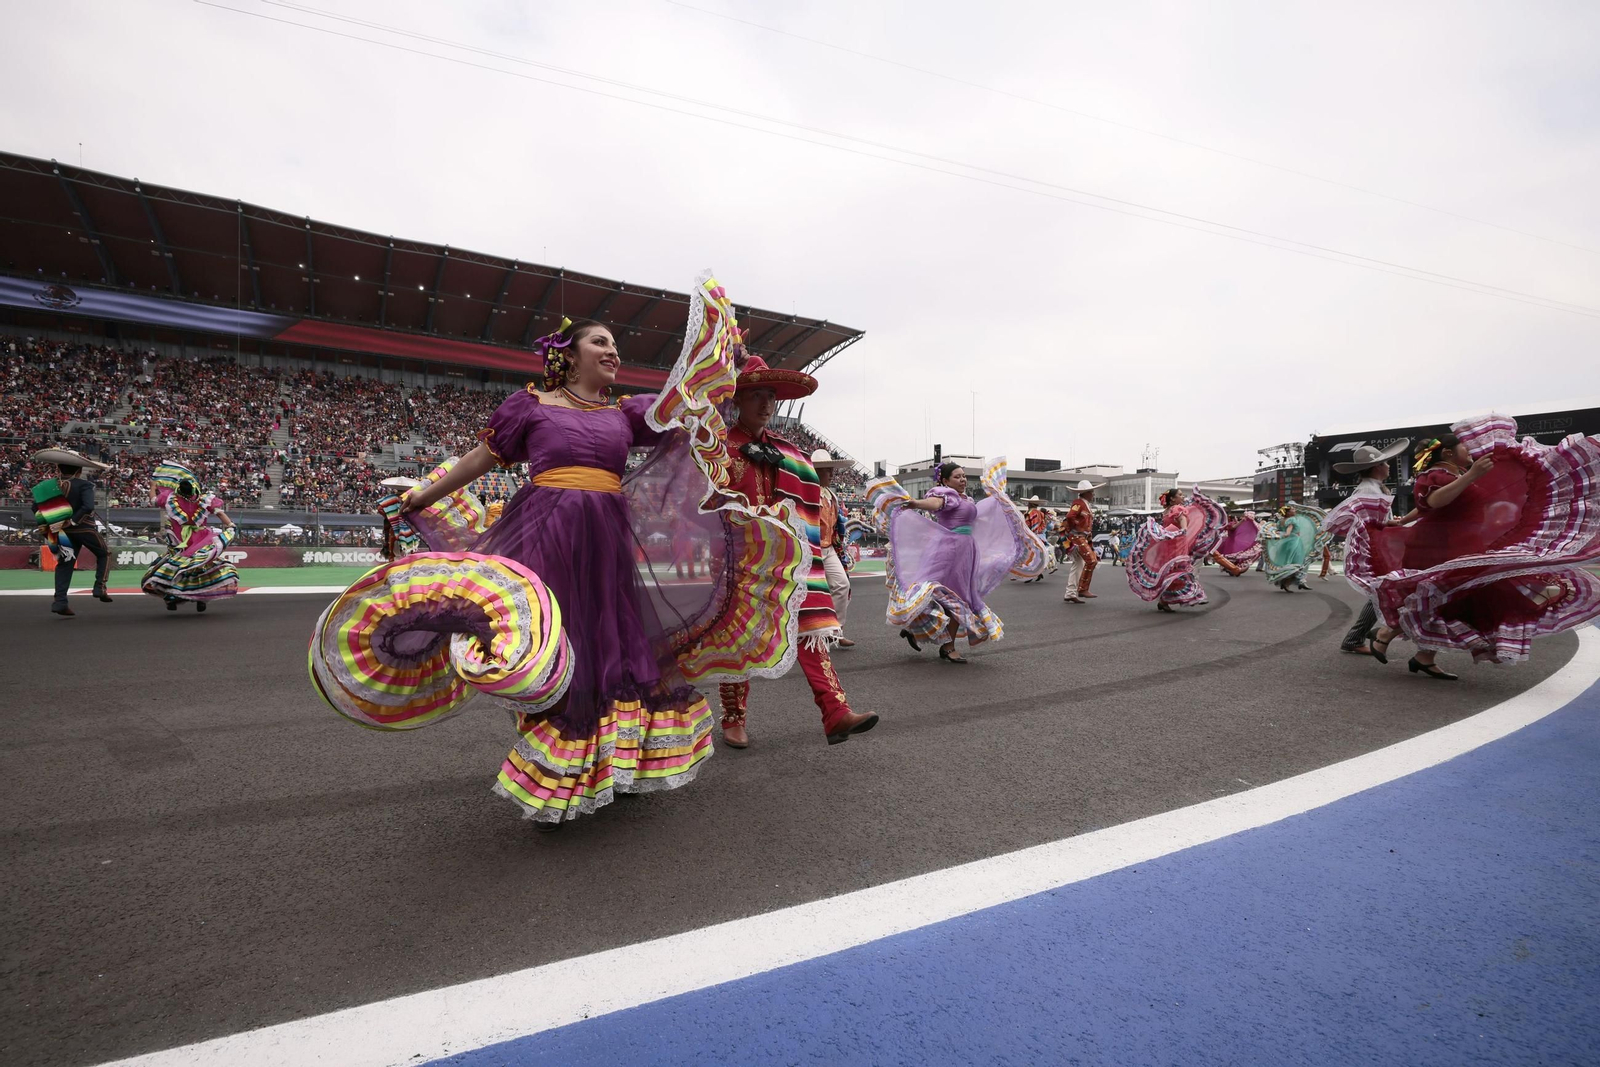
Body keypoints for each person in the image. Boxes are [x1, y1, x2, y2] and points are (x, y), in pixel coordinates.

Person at [314, 283, 820, 827]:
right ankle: (558, 766)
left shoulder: (625, 414)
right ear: (569, 354)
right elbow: (480, 459)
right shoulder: (528, 407)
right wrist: (421, 497)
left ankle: (613, 763)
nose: (613, 353)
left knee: (611, 641)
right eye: (601, 342)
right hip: (545, 531)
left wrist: (723, 370)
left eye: (617, 348)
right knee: (560, 639)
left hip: (606, 537)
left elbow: (684, 413)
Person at [1343, 419, 1600, 676]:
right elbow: (1433, 501)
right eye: (1464, 448)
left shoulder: (1453, 475)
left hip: (1460, 544)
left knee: (1456, 599)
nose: (1470, 452)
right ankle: (1388, 632)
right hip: (1440, 547)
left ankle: (1422, 655)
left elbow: (1426, 507)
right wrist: (1472, 475)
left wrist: (1403, 520)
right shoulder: (1434, 475)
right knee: (1447, 595)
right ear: (1447, 453)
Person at [715, 356, 878, 747]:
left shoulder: (792, 453)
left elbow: (805, 509)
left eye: (771, 396)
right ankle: (733, 718)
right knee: (737, 641)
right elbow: (707, 503)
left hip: (789, 560)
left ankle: (835, 711)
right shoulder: (719, 448)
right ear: (738, 399)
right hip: (738, 560)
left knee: (810, 628)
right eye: (756, 394)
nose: (766, 404)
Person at [869, 458, 1047, 662]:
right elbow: (936, 504)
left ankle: (917, 630)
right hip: (949, 550)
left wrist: (1001, 502)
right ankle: (947, 646)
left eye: (964, 476)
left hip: (964, 551)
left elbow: (979, 515)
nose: (963, 480)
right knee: (954, 597)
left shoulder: (966, 499)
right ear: (945, 481)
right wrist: (917, 503)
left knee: (947, 596)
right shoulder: (946, 495)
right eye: (957, 476)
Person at [1322, 441, 1409, 655]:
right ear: (1377, 467)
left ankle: (1356, 637)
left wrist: (1390, 523)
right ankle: (1358, 637)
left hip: (1376, 545)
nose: (1389, 466)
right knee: (1382, 591)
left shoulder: (1372, 487)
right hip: (1374, 547)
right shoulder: (1368, 489)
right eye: (1386, 463)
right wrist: (1392, 524)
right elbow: (1369, 522)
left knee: (1381, 592)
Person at [141, 462, 239, 611]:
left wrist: (153, 487)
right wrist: (230, 525)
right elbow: (219, 512)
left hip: (178, 540)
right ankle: (201, 599)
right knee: (201, 567)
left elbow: (153, 500)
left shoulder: (169, 499)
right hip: (201, 539)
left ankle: (171, 599)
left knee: (176, 568)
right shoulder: (203, 499)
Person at [34, 448, 112, 617]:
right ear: (79, 470)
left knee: (65, 564)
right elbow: (88, 507)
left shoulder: (47, 487)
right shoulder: (84, 485)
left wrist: (52, 523)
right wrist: (73, 520)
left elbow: (36, 508)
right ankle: (100, 587)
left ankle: (60, 601)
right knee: (104, 553)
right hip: (84, 528)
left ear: (59, 468)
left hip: (62, 532)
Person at [1126, 487, 1226, 612]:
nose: (1183, 496)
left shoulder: (1167, 511)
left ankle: (1164, 601)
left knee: (1170, 573)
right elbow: (1183, 523)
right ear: (1173, 499)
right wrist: (1183, 530)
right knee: (1181, 571)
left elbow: (1171, 525)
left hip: (1169, 545)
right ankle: (1194, 595)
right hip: (1177, 545)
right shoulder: (1178, 509)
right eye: (1180, 495)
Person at [811, 448, 856, 647]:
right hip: (809, 550)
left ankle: (834, 630)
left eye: (831, 470)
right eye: (827, 470)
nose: (831, 474)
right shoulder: (805, 493)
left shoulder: (831, 495)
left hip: (828, 549)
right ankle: (802, 632)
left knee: (842, 585)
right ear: (816, 472)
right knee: (806, 593)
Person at [1260, 503, 1329, 592]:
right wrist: (1287, 534)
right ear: (1288, 513)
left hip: (1285, 543)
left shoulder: (1280, 521)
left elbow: (1280, 530)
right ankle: (1292, 582)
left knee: (1287, 562)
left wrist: (1280, 536)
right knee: (1297, 562)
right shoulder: (1292, 519)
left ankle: (1292, 582)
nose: (1294, 510)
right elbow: (1288, 530)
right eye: (1292, 509)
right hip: (1294, 542)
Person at [1059, 479, 1102, 604]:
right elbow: (1070, 516)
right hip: (1077, 537)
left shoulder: (1084, 504)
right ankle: (1083, 589)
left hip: (1082, 537)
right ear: (1086, 493)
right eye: (1092, 492)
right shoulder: (1078, 503)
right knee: (1091, 560)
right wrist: (1077, 527)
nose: (1093, 495)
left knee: (1078, 564)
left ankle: (1070, 593)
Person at [1209, 511, 1261, 577]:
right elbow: (1233, 527)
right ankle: (1232, 568)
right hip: (1230, 542)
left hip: (1235, 542)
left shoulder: (1237, 523)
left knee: (1237, 556)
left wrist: (1248, 520)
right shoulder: (1229, 524)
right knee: (1231, 556)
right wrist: (1242, 521)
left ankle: (1234, 568)